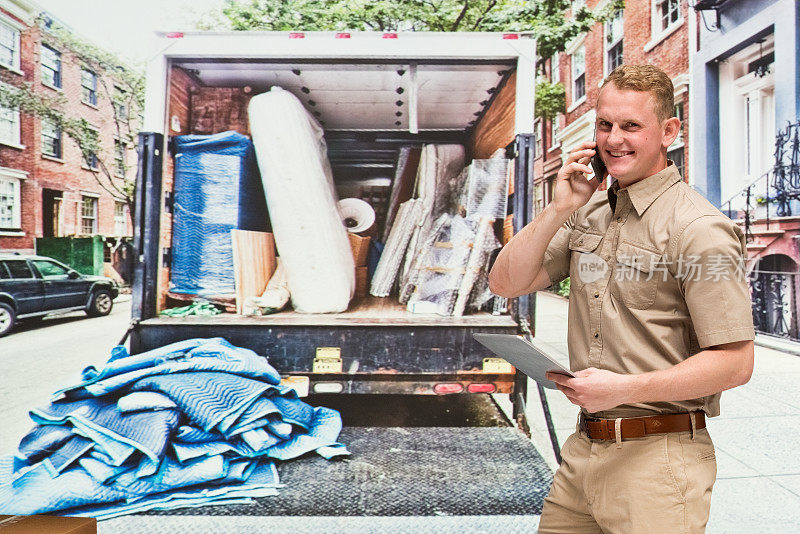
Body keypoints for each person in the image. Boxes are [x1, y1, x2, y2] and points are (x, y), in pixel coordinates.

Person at [488, 64, 755, 533]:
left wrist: (622, 389)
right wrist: (558, 208)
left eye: (631, 125)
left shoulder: (699, 229)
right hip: (583, 453)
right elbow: (505, 283)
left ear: (669, 131)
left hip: (658, 463)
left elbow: (734, 363)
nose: (614, 139)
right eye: (605, 124)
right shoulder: (587, 211)